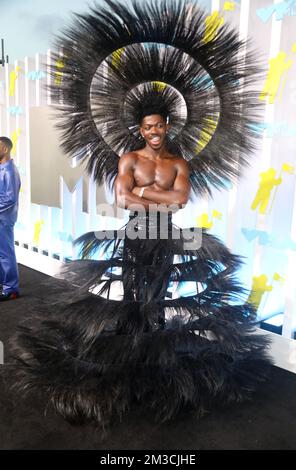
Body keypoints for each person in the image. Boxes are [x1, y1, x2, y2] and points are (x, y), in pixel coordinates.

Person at [0, 136, 21, 301]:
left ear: (5, 149)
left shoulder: (10, 170)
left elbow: (11, 198)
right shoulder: (2, 169)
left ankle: (11, 289)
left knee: (6, 253)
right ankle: (4, 283)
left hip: (4, 219)